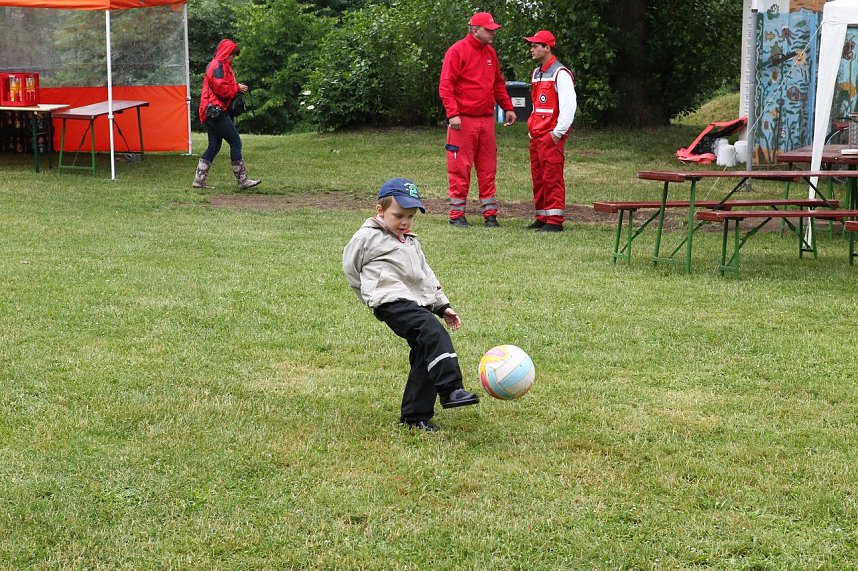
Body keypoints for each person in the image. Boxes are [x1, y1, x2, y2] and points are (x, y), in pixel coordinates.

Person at [343, 178, 480, 432]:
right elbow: (351, 269)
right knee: (432, 331)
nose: (404, 222)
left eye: (410, 217)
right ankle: (451, 389)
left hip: (416, 302)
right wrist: (369, 297)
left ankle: (414, 417)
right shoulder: (366, 237)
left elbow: (426, 276)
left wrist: (442, 306)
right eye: (398, 216)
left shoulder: (410, 242)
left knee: (424, 350)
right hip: (390, 302)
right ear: (380, 210)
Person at [439, 12, 517, 228]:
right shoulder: (457, 51)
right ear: (475, 30)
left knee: (488, 167)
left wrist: (507, 107)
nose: (493, 33)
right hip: (462, 121)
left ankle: (490, 214)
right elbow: (446, 85)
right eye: (489, 30)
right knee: (459, 167)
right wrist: (453, 113)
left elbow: (498, 84)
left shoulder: (490, 52)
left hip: (485, 120)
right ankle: (457, 215)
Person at [524, 30, 576, 232]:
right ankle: (542, 216)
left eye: (536, 45)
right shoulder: (537, 73)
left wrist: (557, 133)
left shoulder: (560, 73)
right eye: (532, 45)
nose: (532, 49)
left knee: (552, 177)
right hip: (536, 135)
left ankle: (554, 221)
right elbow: (536, 106)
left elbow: (568, 107)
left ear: (547, 48)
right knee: (538, 178)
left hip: (550, 137)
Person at [192, 38, 260, 191]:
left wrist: (236, 87)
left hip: (209, 111)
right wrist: (237, 88)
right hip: (216, 111)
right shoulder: (218, 66)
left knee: (214, 146)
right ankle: (243, 180)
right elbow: (222, 89)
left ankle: (199, 180)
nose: (233, 58)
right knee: (236, 142)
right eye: (232, 55)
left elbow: (223, 86)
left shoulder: (219, 65)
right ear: (226, 52)